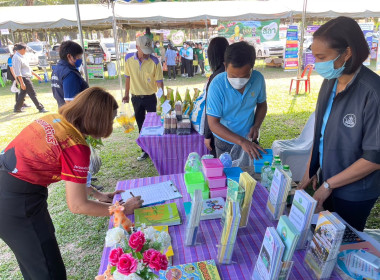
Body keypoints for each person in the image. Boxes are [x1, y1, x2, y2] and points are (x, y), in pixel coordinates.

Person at [0, 87, 144, 279]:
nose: (110, 126)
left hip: (9, 190)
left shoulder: (53, 120)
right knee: (48, 271)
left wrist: (95, 193)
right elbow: (77, 205)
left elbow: (62, 168)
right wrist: (123, 209)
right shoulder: (76, 146)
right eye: (109, 120)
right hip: (18, 204)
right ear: (97, 119)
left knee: (35, 265)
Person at [298, 17, 380, 231]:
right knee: (321, 240)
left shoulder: (373, 93)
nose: (316, 63)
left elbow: (374, 158)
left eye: (321, 57)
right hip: (329, 180)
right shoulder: (330, 82)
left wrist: (329, 185)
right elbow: (322, 133)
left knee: (343, 242)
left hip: (355, 191)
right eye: (314, 56)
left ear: (347, 52)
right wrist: (312, 168)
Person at [206, 41, 267, 159]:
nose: (239, 81)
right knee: (228, 174)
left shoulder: (258, 79)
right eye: (233, 76)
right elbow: (213, 123)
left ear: (252, 68)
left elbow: (262, 105)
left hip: (249, 138)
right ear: (225, 66)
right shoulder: (217, 85)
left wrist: (256, 125)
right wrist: (241, 142)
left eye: (244, 76)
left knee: (250, 174)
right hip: (225, 141)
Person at [122, 35, 164, 161]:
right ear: (137, 47)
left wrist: (162, 99)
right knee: (141, 124)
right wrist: (126, 94)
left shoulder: (155, 62)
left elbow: (160, 83)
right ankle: (145, 150)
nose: (147, 54)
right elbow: (128, 77)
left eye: (148, 51)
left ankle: (155, 149)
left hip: (150, 98)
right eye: (144, 51)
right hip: (136, 98)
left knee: (154, 125)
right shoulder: (128, 59)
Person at [203, 37, 229, 157]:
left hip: (220, 130)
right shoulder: (231, 71)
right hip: (236, 130)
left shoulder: (217, 77)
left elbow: (211, 109)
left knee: (222, 165)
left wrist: (207, 135)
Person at [51, 40, 89, 108]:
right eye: (79, 56)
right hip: (73, 114)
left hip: (62, 110)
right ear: (69, 56)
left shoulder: (57, 69)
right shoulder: (70, 74)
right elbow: (70, 101)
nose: (80, 59)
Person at [12, 43, 48, 113]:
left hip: (26, 77)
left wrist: (36, 75)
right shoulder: (16, 57)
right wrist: (22, 83)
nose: (26, 52)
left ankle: (17, 108)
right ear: (22, 49)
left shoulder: (22, 56)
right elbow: (18, 72)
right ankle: (40, 108)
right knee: (32, 93)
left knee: (22, 94)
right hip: (24, 78)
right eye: (25, 50)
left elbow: (27, 68)